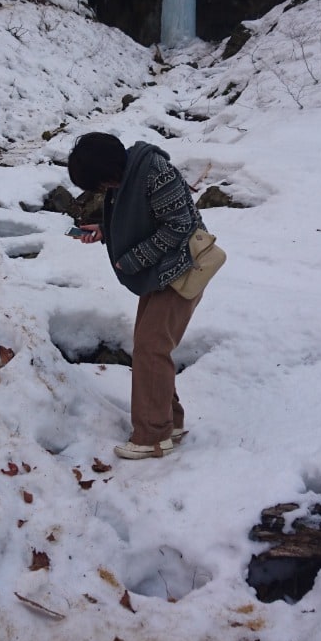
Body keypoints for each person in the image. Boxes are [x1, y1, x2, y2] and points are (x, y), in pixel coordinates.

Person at [67, 131, 206, 461]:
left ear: (110, 170)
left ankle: (153, 436)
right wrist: (104, 232)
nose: (104, 191)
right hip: (163, 273)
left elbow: (179, 227)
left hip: (183, 270)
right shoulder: (129, 175)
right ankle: (169, 423)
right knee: (150, 346)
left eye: (101, 185)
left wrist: (131, 258)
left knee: (151, 347)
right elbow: (141, 219)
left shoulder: (156, 172)